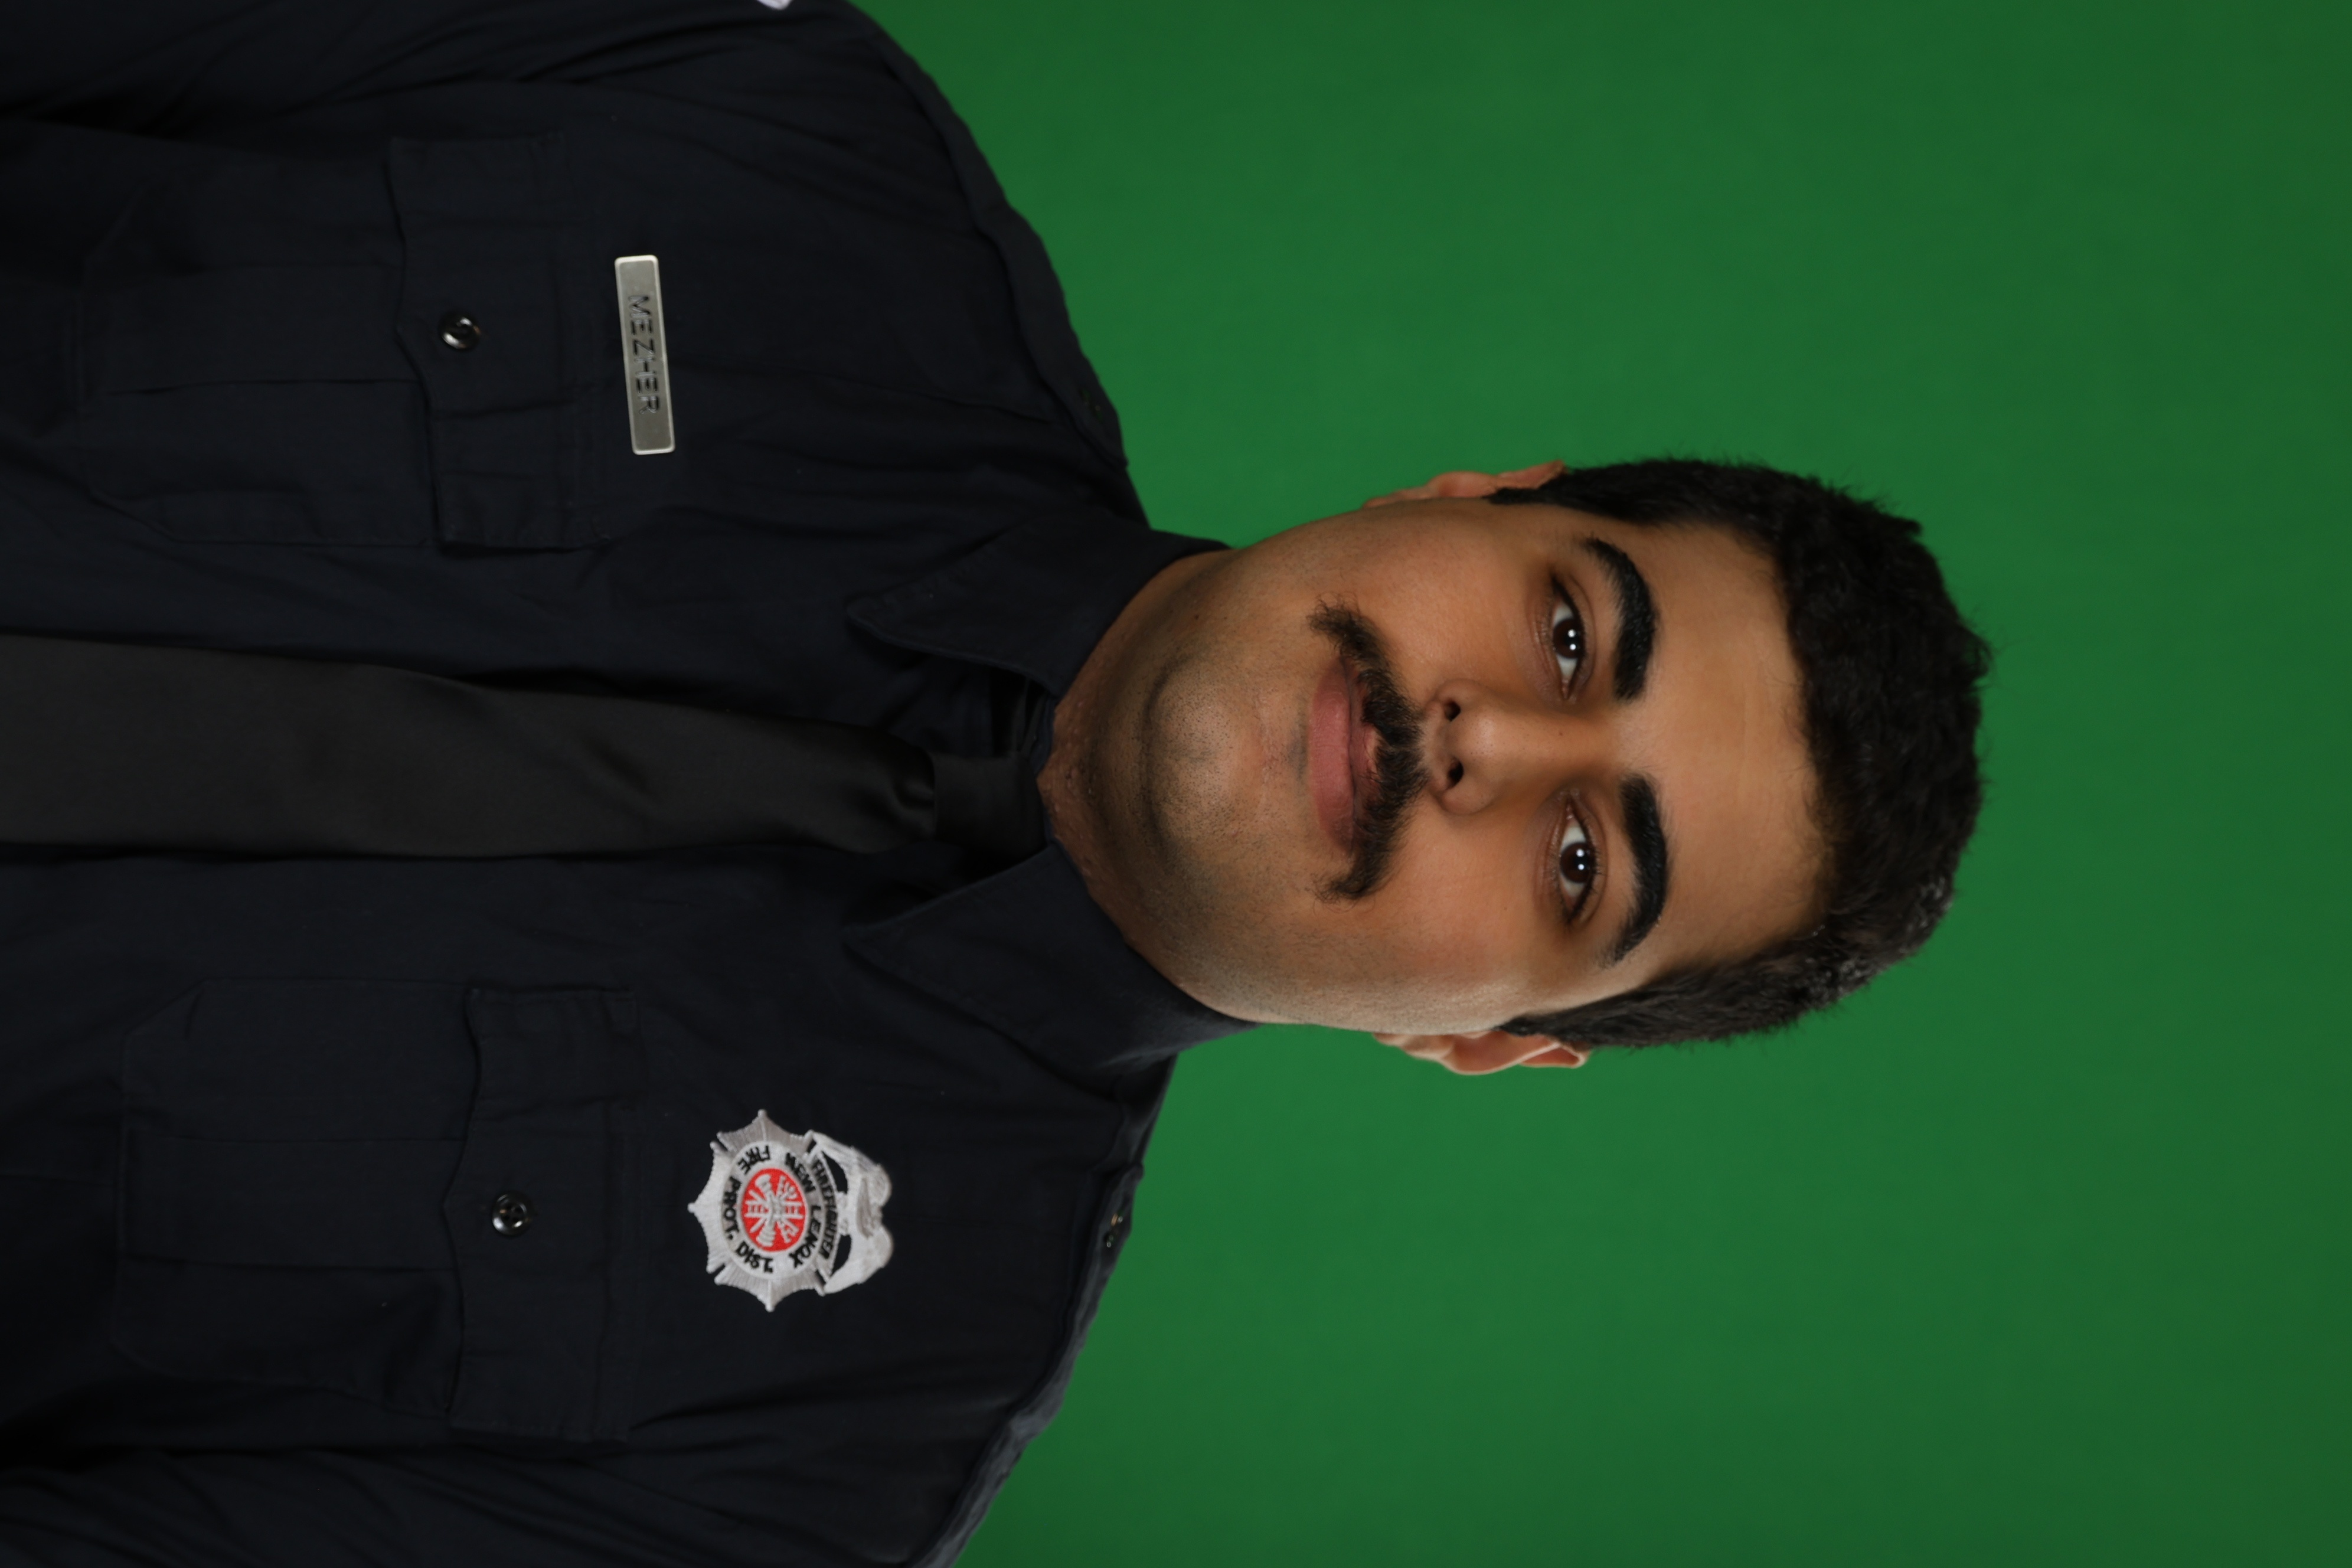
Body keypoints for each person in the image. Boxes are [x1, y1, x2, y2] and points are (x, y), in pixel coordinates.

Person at [0, 1, 1988, 1564]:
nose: (1481, 741)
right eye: (1568, 637)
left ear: (1479, 1039)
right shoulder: (761, 118)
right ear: (1470, 495)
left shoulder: (810, 1465)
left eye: (1578, 861)